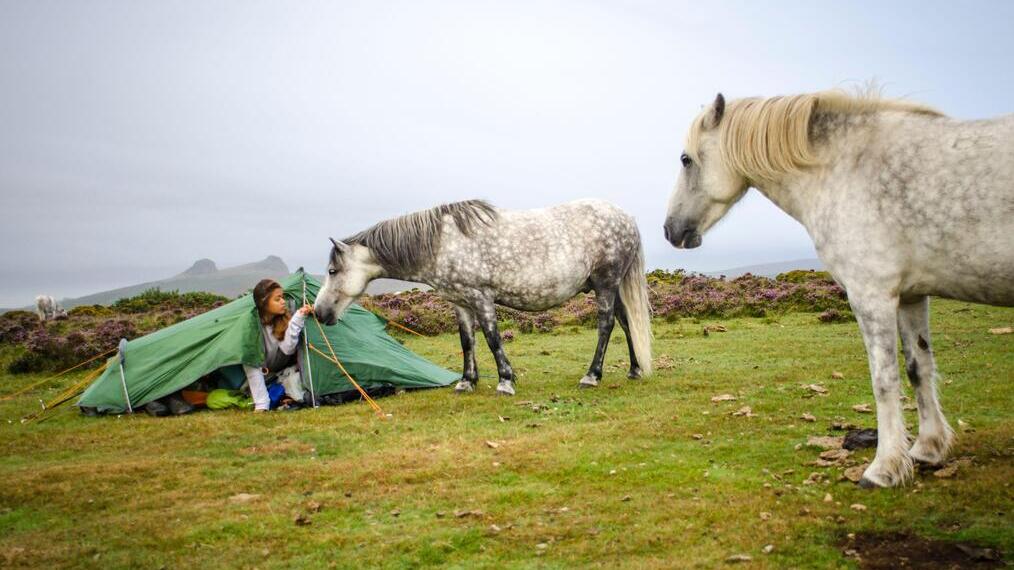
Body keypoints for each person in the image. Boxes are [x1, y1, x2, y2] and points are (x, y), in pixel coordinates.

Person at [247, 279, 312, 412]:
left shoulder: (283, 319)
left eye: (283, 298)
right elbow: (251, 363)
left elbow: (287, 349)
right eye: (277, 299)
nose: (283, 302)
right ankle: (262, 401)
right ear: (264, 303)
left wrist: (298, 317)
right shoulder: (252, 325)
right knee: (248, 363)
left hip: (278, 372)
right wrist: (262, 405)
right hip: (256, 374)